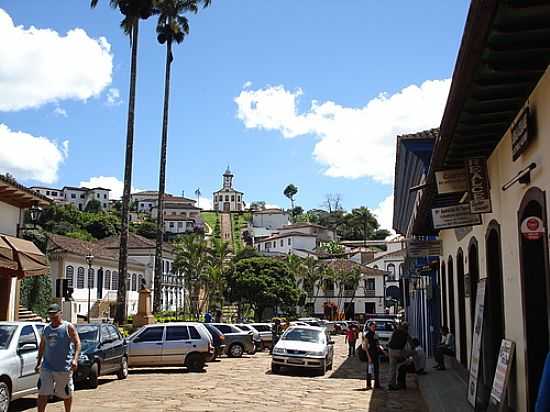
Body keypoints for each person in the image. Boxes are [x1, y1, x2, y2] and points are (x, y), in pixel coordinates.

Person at [36, 304, 81, 412]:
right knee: (43, 393)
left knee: (66, 393)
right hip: (47, 366)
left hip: (64, 367)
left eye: (54, 315)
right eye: (51, 315)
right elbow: (42, 346)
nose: (52, 318)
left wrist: (75, 359)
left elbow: (78, 343)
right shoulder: (46, 328)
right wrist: (38, 362)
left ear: (60, 313)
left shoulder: (68, 327)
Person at [387, 321, 411, 390]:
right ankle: (400, 382)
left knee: (392, 368)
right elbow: (410, 344)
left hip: (391, 350)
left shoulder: (395, 331)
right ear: (406, 328)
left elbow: (389, 341)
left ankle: (391, 384)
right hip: (398, 351)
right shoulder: (406, 334)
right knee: (408, 359)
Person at [363, 321, 383, 389]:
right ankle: (368, 385)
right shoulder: (367, 335)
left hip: (376, 354)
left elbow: (377, 344)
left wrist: (382, 350)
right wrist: (368, 357)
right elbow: (365, 346)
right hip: (370, 354)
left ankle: (377, 385)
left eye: (375, 327)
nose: (374, 328)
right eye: (373, 327)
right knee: (369, 370)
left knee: (376, 370)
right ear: (370, 327)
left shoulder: (375, 334)